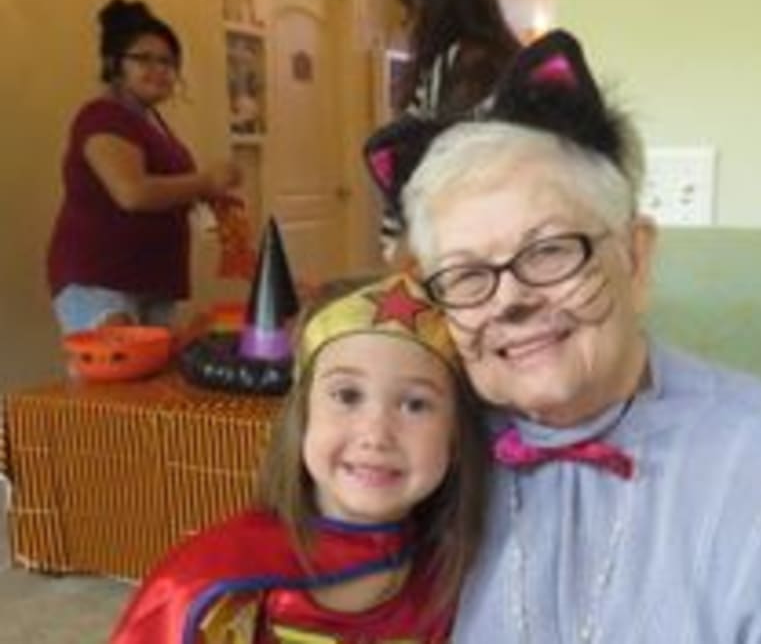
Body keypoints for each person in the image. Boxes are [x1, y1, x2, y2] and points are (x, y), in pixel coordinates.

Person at [364, 30, 761, 642]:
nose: (511, 300)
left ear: (637, 257)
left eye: (548, 251)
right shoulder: (415, 452)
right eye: (466, 275)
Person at [110, 273, 488, 643]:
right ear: (303, 416)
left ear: (455, 435)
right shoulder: (208, 586)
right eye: (347, 396)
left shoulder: (465, 577)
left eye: (415, 404)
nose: (376, 435)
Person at [47, 0, 241, 335]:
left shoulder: (151, 121)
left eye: (168, 62)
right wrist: (206, 182)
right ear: (114, 64)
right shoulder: (103, 116)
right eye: (144, 59)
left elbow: (165, 190)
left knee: (152, 384)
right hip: (102, 280)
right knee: (115, 385)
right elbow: (132, 192)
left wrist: (210, 198)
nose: (160, 69)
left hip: (151, 280)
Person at [380, 0, 523, 263]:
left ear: (436, 8)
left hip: (448, 245)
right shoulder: (506, 61)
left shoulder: (461, 62)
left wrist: (405, 250)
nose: (408, 24)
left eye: (412, 11)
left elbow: (444, 167)